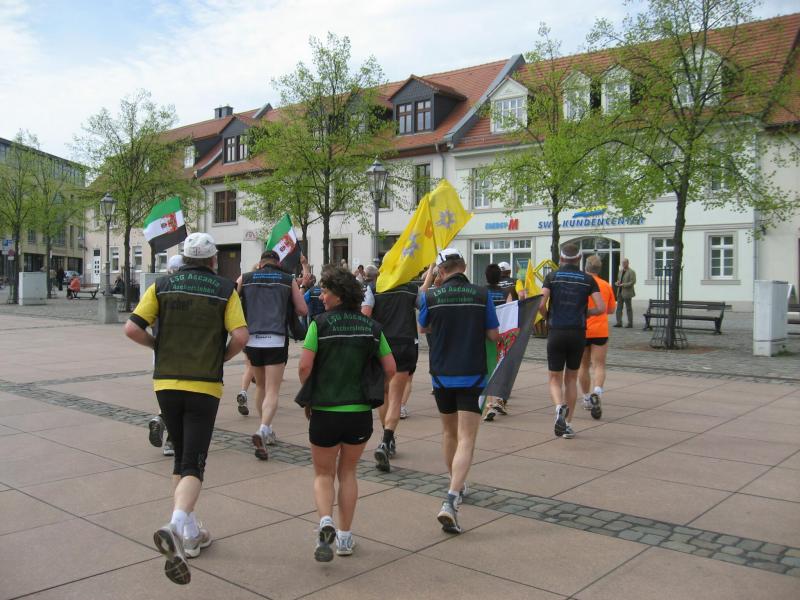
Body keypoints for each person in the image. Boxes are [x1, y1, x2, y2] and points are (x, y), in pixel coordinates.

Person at [124, 232, 249, 585]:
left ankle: (191, 534)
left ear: (185, 258)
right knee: (195, 462)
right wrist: (220, 357)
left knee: (180, 457)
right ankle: (176, 525)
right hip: (204, 384)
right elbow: (241, 336)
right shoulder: (225, 289)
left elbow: (131, 328)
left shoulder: (162, 286)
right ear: (212, 260)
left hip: (166, 382)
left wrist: (157, 345)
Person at [298, 267, 396, 561]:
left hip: (325, 411)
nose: (321, 296)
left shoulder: (319, 324)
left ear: (338, 295)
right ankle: (344, 537)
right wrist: (377, 387)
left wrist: (310, 393)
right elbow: (391, 368)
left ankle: (325, 521)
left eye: (325, 291)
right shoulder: (372, 327)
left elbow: (304, 366)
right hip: (358, 412)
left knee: (323, 474)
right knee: (348, 473)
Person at [418, 248, 499, 534]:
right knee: (467, 438)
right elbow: (493, 334)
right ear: (463, 267)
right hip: (472, 373)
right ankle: (451, 498)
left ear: (441, 271)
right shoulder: (481, 295)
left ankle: (456, 482)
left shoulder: (431, 297)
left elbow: (422, 327)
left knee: (449, 433)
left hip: (441, 376)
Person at [239, 250, 308, 460]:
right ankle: (263, 429)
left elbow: (230, 300)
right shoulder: (287, 279)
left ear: (260, 263)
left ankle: (267, 429)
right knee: (272, 390)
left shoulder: (246, 278)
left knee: (260, 386)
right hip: (276, 339)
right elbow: (303, 310)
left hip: (252, 339)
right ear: (278, 263)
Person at [539, 243, 605, 440]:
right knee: (571, 379)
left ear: (561, 259)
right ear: (579, 259)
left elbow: (540, 303)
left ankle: (559, 407)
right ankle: (567, 425)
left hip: (556, 332)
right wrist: (586, 313)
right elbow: (601, 307)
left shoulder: (551, 277)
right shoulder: (588, 279)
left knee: (554, 378)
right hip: (577, 333)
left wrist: (547, 316)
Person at [362, 266, 419, 473]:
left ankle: (387, 437)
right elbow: (425, 310)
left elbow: (365, 316)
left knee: (384, 394)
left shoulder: (373, 288)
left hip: (382, 346)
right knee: (395, 397)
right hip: (405, 345)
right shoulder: (411, 288)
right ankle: (387, 439)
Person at [148, 254, 185, 456]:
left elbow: (142, 323)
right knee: (183, 398)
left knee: (169, 395)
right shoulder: (191, 290)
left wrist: (155, 343)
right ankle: (171, 440)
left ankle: (162, 418)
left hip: (161, 352)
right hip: (186, 352)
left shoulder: (158, 289)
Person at [578, 255, 616, 420]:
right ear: (599, 269)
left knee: (583, 366)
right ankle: (597, 393)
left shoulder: (581, 283)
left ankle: (587, 398)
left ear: (585, 267)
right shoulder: (606, 285)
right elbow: (611, 309)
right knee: (599, 365)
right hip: (600, 330)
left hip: (582, 329)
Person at [483, 264, 512, 421]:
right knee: (500, 366)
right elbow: (509, 313)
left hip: (486, 335)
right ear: (500, 277)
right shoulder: (506, 292)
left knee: (489, 369)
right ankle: (498, 400)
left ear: (486, 277)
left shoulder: (482, 292)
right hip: (502, 335)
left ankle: (490, 404)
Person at [234, 262, 262, 417]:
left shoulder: (246, 284)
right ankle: (264, 400)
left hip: (248, 329)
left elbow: (233, 292)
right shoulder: (269, 287)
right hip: (266, 332)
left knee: (249, 367)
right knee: (264, 372)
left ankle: (243, 392)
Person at [614, 258, 636, 328]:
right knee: (619, 308)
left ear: (628, 263)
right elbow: (619, 280)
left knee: (628, 308)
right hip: (620, 292)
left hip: (627, 293)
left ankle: (630, 323)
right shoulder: (620, 271)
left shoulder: (631, 272)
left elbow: (632, 282)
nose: (623, 264)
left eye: (625, 263)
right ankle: (619, 322)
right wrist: (617, 283)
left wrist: (624, 285)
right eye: (622, 263)